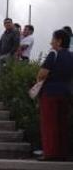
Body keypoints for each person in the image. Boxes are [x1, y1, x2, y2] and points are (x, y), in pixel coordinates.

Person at [33, 30, 73, 161]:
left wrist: (38, 81)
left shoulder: (53, 54)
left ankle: (50, 153)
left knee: (49, 124)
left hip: (50, 93)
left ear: (59, 41)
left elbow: (42, 74)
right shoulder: (71, 56)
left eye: (53, 39)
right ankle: (62, 153)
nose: (51, 42)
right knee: (62, 124)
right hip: (66, 92)